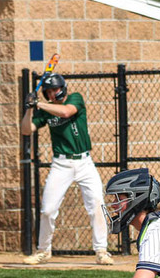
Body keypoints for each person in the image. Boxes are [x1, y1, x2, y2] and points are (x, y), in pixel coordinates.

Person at [20, 72, 113, 265]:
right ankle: (43, 251)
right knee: (47, 209)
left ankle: (102, 251)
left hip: (84, 162)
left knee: (96, 203)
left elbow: (66, 112)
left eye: (55, 89)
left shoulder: (75, 98)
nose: (53, 94)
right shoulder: (46, 110)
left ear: (63, 88)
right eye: (49, 91)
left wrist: (38, 104)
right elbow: (26, 130)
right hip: (61, 164)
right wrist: (29, 109)